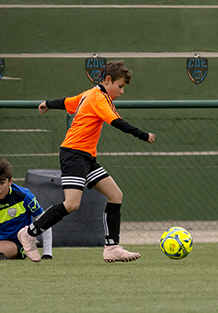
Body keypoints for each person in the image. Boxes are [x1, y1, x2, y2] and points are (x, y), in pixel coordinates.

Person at [17, 60, 155, 263]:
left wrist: (48, 103)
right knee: (72, 204)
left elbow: (68, 102)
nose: (122, 91)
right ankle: (29, 233)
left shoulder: (89, 94)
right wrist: (143, 135)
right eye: (120, 86)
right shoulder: (99, 97)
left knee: (115, 195)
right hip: (74, 154)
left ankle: (112, 248)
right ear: (108, 80)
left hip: (86, 157)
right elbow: (116, 121)